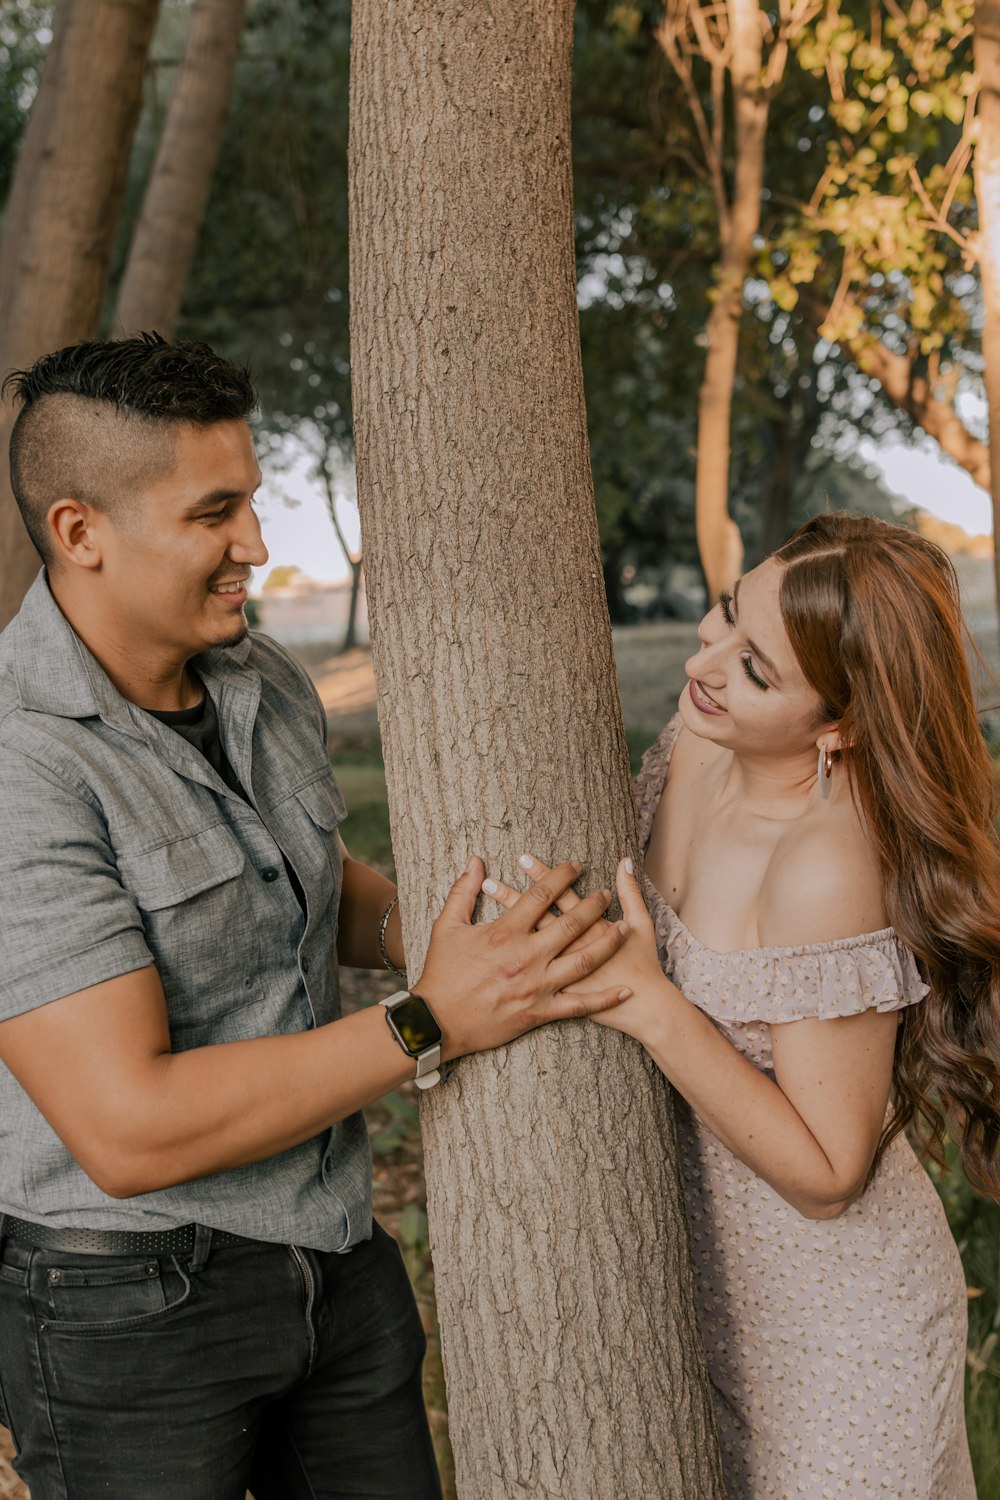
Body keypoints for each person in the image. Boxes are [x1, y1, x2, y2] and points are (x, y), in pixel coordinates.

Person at [0, 333, 632, 1500]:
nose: (257, 546)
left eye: (253, 502)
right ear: (80, 533)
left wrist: (436, 939)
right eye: (215, 513)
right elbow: (127, 1130)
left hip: (338, 1258)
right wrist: (431, 1015)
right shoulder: (19, 766)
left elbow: (308, 873)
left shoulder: (261, 679)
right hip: (130, 1312)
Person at [487, 513, 1000, 1497]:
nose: (707, 661)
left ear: (842, 721)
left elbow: (827, 1172)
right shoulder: (695, 741)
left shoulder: (821, 864)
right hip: (709, 1297)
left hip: (842, 1331)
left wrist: (650, 1002)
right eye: (725, 617)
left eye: (756, 669)